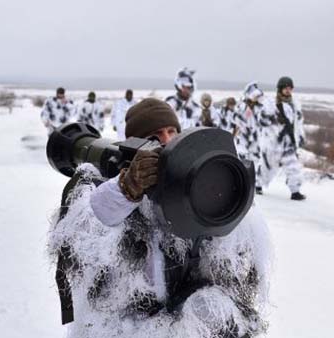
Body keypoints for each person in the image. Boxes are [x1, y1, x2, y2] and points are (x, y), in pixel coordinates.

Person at [48, 98, 271, 338]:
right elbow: (84, 240)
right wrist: (127, 189)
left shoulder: (187, 189)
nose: (166, 140)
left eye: (172, 131)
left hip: (179, 318)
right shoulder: (105, 189)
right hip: (122, 325)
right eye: (155, 135)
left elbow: (228, 251)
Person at [257, 77, 306, 201]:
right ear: (280, 89)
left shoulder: (295, 104)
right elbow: (261, 120)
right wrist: (273, 119)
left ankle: (295, 191)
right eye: (286, 88)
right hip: (273, 142)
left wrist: (300, 137)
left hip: (289, 143)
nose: (288, 91)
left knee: (293, 167)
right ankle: (257, 185)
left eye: (290, 88)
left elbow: (298, 123)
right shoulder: (271, 103)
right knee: (267, 167)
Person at [234, 82, 273, 195]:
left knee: (255, 160)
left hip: (256, 138)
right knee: (242, 157)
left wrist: (267, 114)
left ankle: (255, 184)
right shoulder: (242, 106)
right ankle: (241, 181)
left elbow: (266, 122)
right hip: (243, 137)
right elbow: (237, 120)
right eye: (255, 96)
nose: (257, 99)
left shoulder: (260, 108)